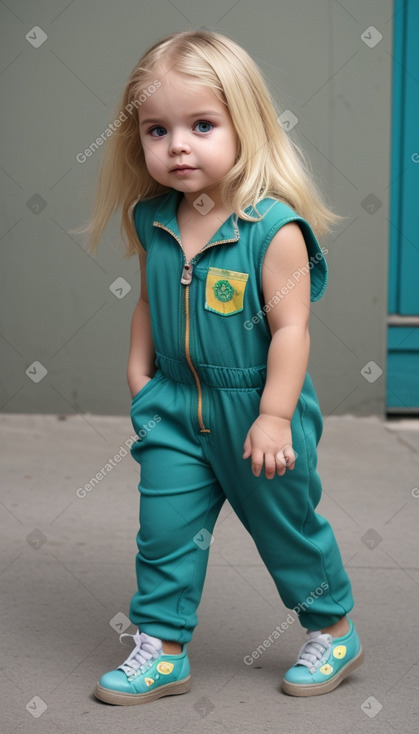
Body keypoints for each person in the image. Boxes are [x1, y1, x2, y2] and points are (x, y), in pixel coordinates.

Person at [83, 29, 364, 705]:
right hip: (174, 408)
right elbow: (149, 305)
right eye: (157, 130)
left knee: (285, 528)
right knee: (165, 534)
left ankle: (333, 628)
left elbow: (291, 330)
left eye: (201, 124)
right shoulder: (154, 219)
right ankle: (163, 646)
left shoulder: (271, 230)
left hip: (256, 410)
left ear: (247, 126)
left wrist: (272, 417)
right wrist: (138, 378)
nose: (177, 144)